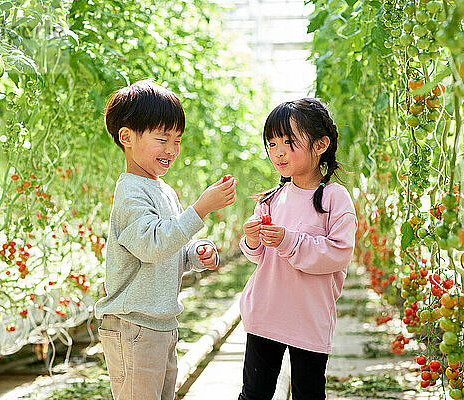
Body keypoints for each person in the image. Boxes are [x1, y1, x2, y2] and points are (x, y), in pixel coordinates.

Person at [94, 79, 236, 400]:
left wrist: (196, 254)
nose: (171, 150)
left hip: (161, 325)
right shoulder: (130, 192)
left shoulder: (165, 190)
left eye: (177, 140)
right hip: (133, 327)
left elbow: (170, 248)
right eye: (162, 139)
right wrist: (200, 209)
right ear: (127, 138)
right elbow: (152, 246)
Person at [238, 98, 357, 400]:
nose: (277, 151)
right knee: (254, 394)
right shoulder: (271, 199)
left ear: (320, 145)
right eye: (272, 143)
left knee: (308, 393)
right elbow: (258, 257)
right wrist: (252, 240)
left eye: (289, 142)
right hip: (265, 312)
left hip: (309, 317)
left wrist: (288, 241)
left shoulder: (334, 198)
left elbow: (338, 253)